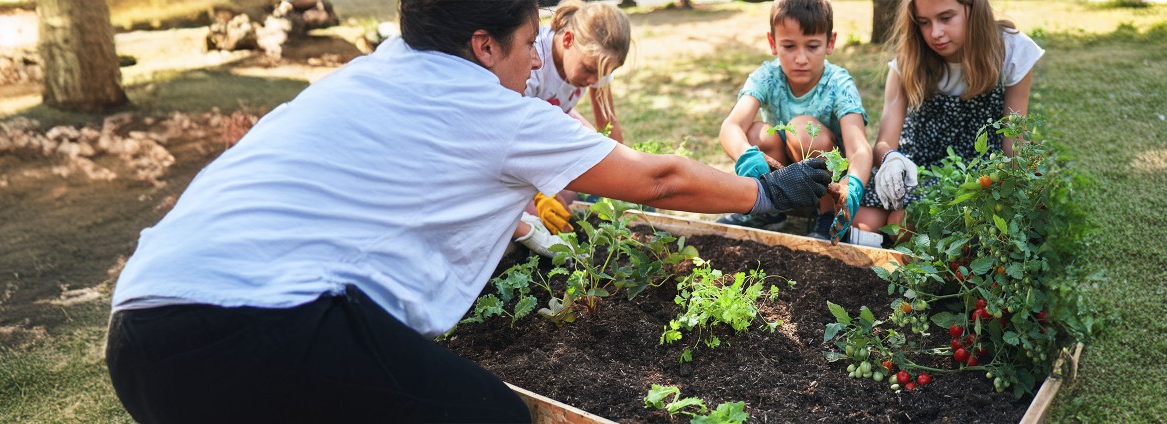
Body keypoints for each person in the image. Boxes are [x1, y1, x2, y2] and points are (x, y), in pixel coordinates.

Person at [102, 1, 831, 422]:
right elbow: (661, 181)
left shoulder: (367, 74)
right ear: (483, 46)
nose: (529, 67)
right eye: (523, 48)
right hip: (243, 329)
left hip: (141, 329)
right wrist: (768, 194)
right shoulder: (486, 105)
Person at [851, 0, 1043, 246]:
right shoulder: (912, 54)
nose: (935, 33)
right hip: (912, 166)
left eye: (946, 18)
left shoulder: (1011, 50)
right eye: (924, 22)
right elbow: (885, 141)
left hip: (968, 173)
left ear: (973, 8)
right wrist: (890, 158)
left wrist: (1019, 196)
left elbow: (1014, 143)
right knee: (863, 221)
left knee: (901, 224)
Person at [716, 0, 875, 244]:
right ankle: (769, 207)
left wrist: (852, 185)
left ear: (830, 42)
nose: (801, 58)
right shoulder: (767, 77)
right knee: (756, 133)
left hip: (827, 183)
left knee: (804, 130)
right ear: (772, 43)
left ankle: (825, 214)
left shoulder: (838, 84)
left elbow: (859, 148)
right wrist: (746, 153)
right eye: (789, 46)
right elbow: (731, 127)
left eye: (812, 46)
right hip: (783, 173)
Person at [513, 0, 634, 257]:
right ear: (567, 39)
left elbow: (608, 125)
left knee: (569, 193)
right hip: (519, 142)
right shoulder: (534, 62)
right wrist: (537, 195)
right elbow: (514, 139)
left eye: (601, 74)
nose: (593, 80)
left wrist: (627, 177)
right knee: (542, 218)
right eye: (589, 70)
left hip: (551, 128)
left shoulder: (595, 62)